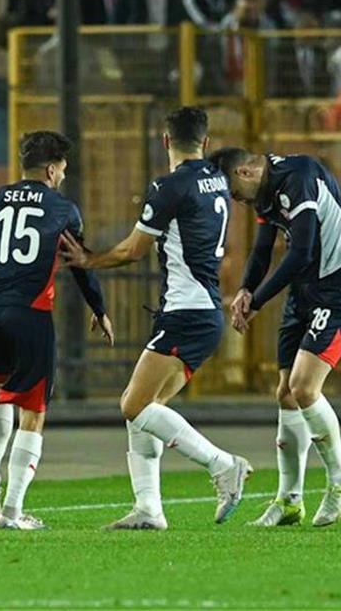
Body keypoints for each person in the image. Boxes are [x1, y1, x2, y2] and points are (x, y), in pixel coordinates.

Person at [59, 108, 252, 531]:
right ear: (205, 141)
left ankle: (223, 465)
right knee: (148, 409)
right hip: (202, 311)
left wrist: (88, 260)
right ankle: (149, 508)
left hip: (186, 311)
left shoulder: (169, 187)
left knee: (133, 404)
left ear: (165, 141)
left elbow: (132, 250)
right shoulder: (218, 180)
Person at [0, 131, 113, 531]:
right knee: (33, 412)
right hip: (30, 314)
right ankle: (13, 512)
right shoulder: (63, 209)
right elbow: (79, 265)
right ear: (52, 170)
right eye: (63, 170)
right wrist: (99, 309)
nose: (63, 177)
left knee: (3, 391)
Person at [208, 145, 341, 528]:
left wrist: (259, 301)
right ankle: (290, 499)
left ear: (244, 172)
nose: (234, 200)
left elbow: (302, 252)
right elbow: (263, 248)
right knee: (286, 393)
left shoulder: (300, 177)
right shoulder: (264, 191)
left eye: (232, 191)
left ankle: (340, 481)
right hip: (303, 292)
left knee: (304, 388)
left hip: (338, 289)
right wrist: (246, 288)